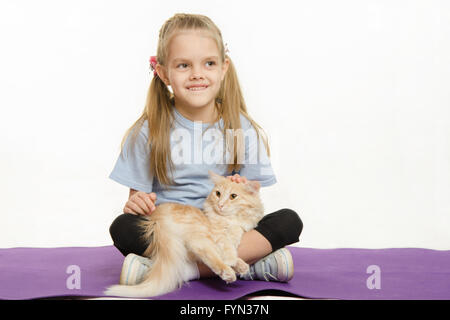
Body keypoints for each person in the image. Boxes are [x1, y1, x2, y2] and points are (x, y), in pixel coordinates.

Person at [108, 13, 303, 286]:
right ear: (163, 73)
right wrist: (137, 203)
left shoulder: (241, 128)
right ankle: (255, 265)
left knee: (288, 221)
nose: (197, 74)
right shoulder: (148, 131)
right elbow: (141, 205)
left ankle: (184, 271)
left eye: (208, 63)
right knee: (123, 227)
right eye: (184, 65)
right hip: (177, 232)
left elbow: (252, 198)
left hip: (226, 230)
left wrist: (242, 185)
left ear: (223, 68)